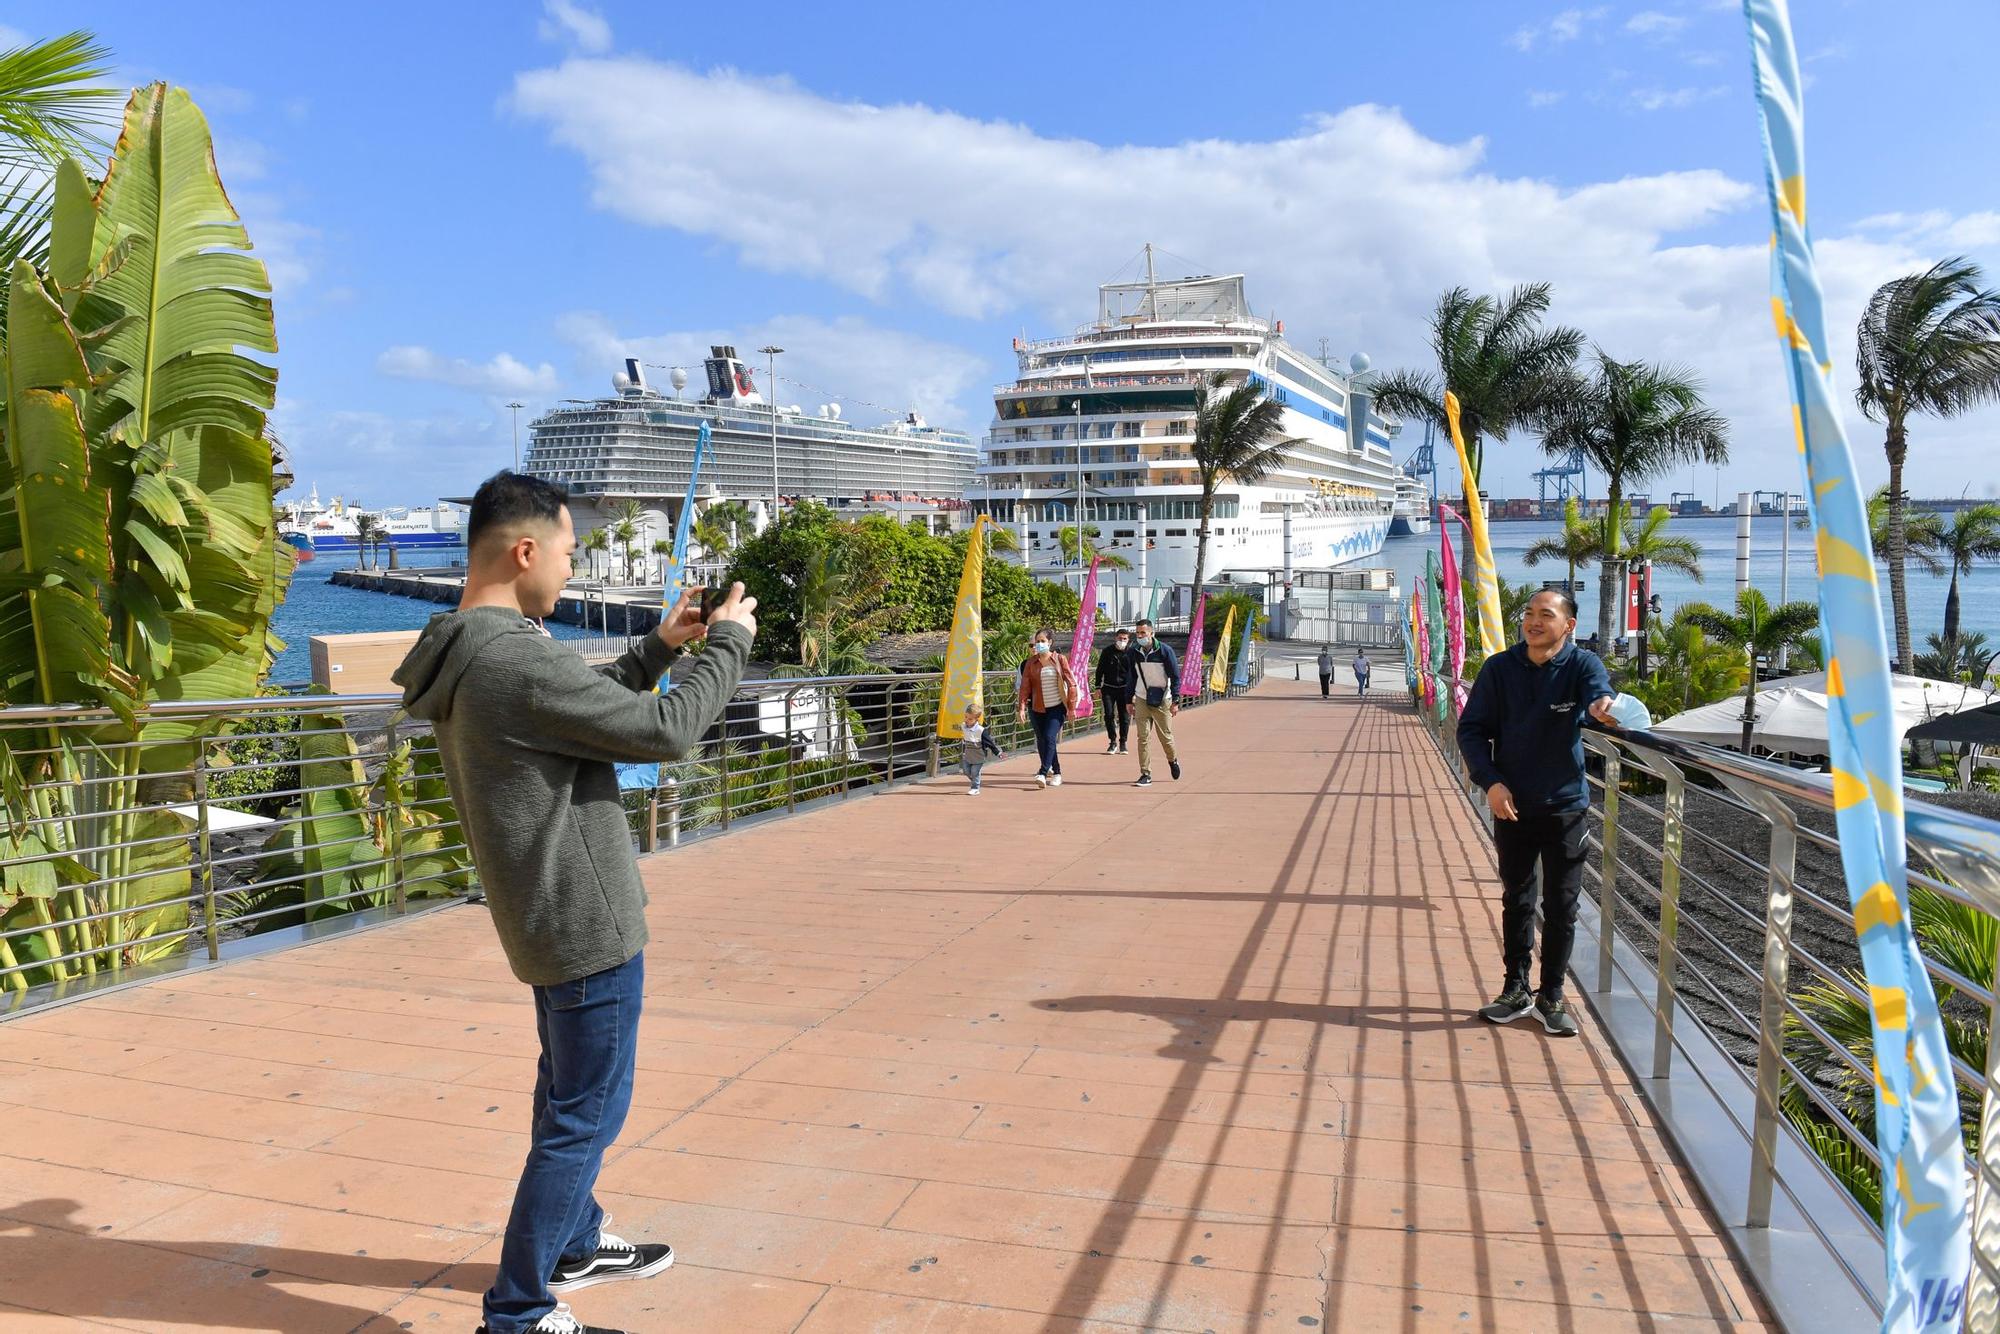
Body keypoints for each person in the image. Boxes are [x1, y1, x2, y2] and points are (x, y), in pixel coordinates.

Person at [393, 472, 758, 1334]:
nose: (567, 569)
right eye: (565, 552)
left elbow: (575, 712)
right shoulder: (513, 656)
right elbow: (665, 733)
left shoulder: (470, 646)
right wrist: (728, 644)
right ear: (524, 552)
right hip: (584, 921)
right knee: (585, 1111)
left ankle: (574, 1241)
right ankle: (517, 1311)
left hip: (544, 914)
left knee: (567, 1092)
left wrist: (661, 646)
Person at [1456, 589, 1616, 1039]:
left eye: (1546, 615)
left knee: (1561, 907)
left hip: (1565, 807)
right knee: (1517, 898)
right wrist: (1491, 781)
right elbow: (1471, 729)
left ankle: (1552, 997)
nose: (1533, 621)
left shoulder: (1582, 665)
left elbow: (1598, 694)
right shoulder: (1500, 669)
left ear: (1568, 625)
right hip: (1512, 806)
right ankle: (1515, 989)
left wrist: (1602, 707)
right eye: (1529, 614)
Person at [1016, 629, 1079, 788]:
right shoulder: (1031, 662)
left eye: (1043, 641)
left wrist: (1071, 707)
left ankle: (1043, 772)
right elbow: (1024, 687)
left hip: (1056, 707)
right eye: (1037, 641)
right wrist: (1022, 708)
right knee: (1043, 741)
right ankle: (1057, 772)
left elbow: (1071, 683)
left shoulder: (1059, 659)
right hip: (1037, 708)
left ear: (1050, 642)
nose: (1039, 644)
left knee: (1050, 737)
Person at [1128, 618, 1183, 787]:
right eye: (1137, 633)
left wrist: (1175, 700)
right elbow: (1131, 676)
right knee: (1142, 737)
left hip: (1162, 700)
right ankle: (1145, 773)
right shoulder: (1133, 652)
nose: (1140, 636)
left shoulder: (1165, 651)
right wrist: (1128, 700)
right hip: (1142, 698)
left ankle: (1172, 760)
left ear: (1152, 633)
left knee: (1165, 737)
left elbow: (1175, 676)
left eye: (1143, 632)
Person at [1095, 627, 1137, 753]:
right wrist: (1097, 686)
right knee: (1108, 714)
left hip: (1125, 689)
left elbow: (1135, 673)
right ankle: (1112, 741)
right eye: (1120, 638)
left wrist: (1134, 691)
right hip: (1109, 687)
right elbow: (1100, 669)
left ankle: (1123, 742)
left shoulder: (1132, 652)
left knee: (1124, 716)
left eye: (1125, 639)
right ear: (1115, 638)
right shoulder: (1107, 651)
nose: (1122, 640)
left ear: (1128, 640)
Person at [961, 702, 1002, 795]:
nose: (967, 720)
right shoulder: (963, 726)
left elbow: (990, 743)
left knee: (975, 771)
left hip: (979, 756)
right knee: (966, 771)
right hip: (968, 755)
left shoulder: (981, 730)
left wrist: (998, 753)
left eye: (970, 719)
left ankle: (975, 788)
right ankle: (975, 779)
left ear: (976, 719)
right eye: (966, 717)